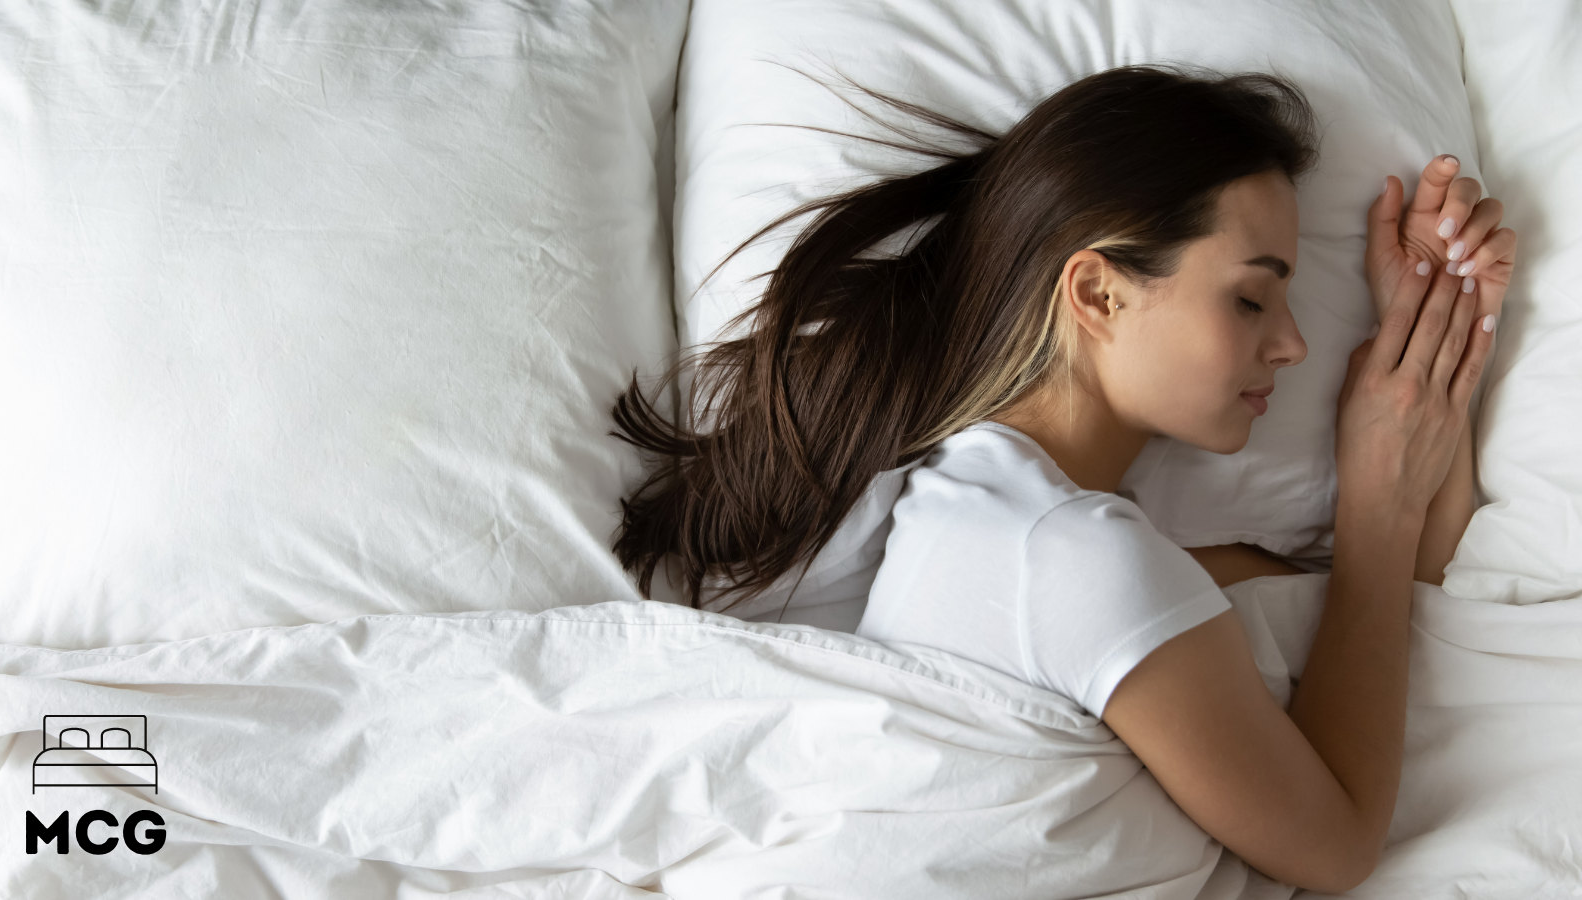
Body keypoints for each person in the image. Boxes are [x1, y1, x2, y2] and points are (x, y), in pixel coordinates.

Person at [607, 63, 1514, 893]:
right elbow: (1339, 845)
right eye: (1249, 297)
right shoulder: (1073, 557)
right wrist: (1374, 512)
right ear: (1098, 294)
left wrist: (1437, 320)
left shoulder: (1015, 521)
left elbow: (1402, 592)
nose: (1294, 343)